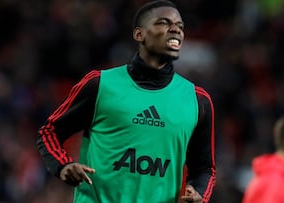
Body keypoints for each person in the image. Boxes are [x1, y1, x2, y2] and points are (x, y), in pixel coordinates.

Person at [36, 1, 216, 203]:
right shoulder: (100, 84)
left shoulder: (197, 100)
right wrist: (63, 166)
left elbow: (204, 169)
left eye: (180, 26)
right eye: (164, 23)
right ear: (139, 34)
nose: (176, 30)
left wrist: (197, 193)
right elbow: (49, 132)